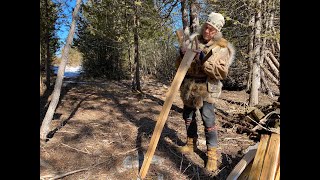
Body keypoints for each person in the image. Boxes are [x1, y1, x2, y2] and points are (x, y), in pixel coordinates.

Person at [175, 12, 235, 172]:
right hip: (189, 86)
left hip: (208, 88)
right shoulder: (194, 41)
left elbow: (222, 72)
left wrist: (204, 60)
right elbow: (181, 66)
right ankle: (190, 143)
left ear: (217, 31)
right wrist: (182, 55)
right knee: (187, 115)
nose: (207, 32)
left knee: (208, 120)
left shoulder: (222, 47)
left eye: (212, 30)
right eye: (206, 28)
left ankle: (212, 156)